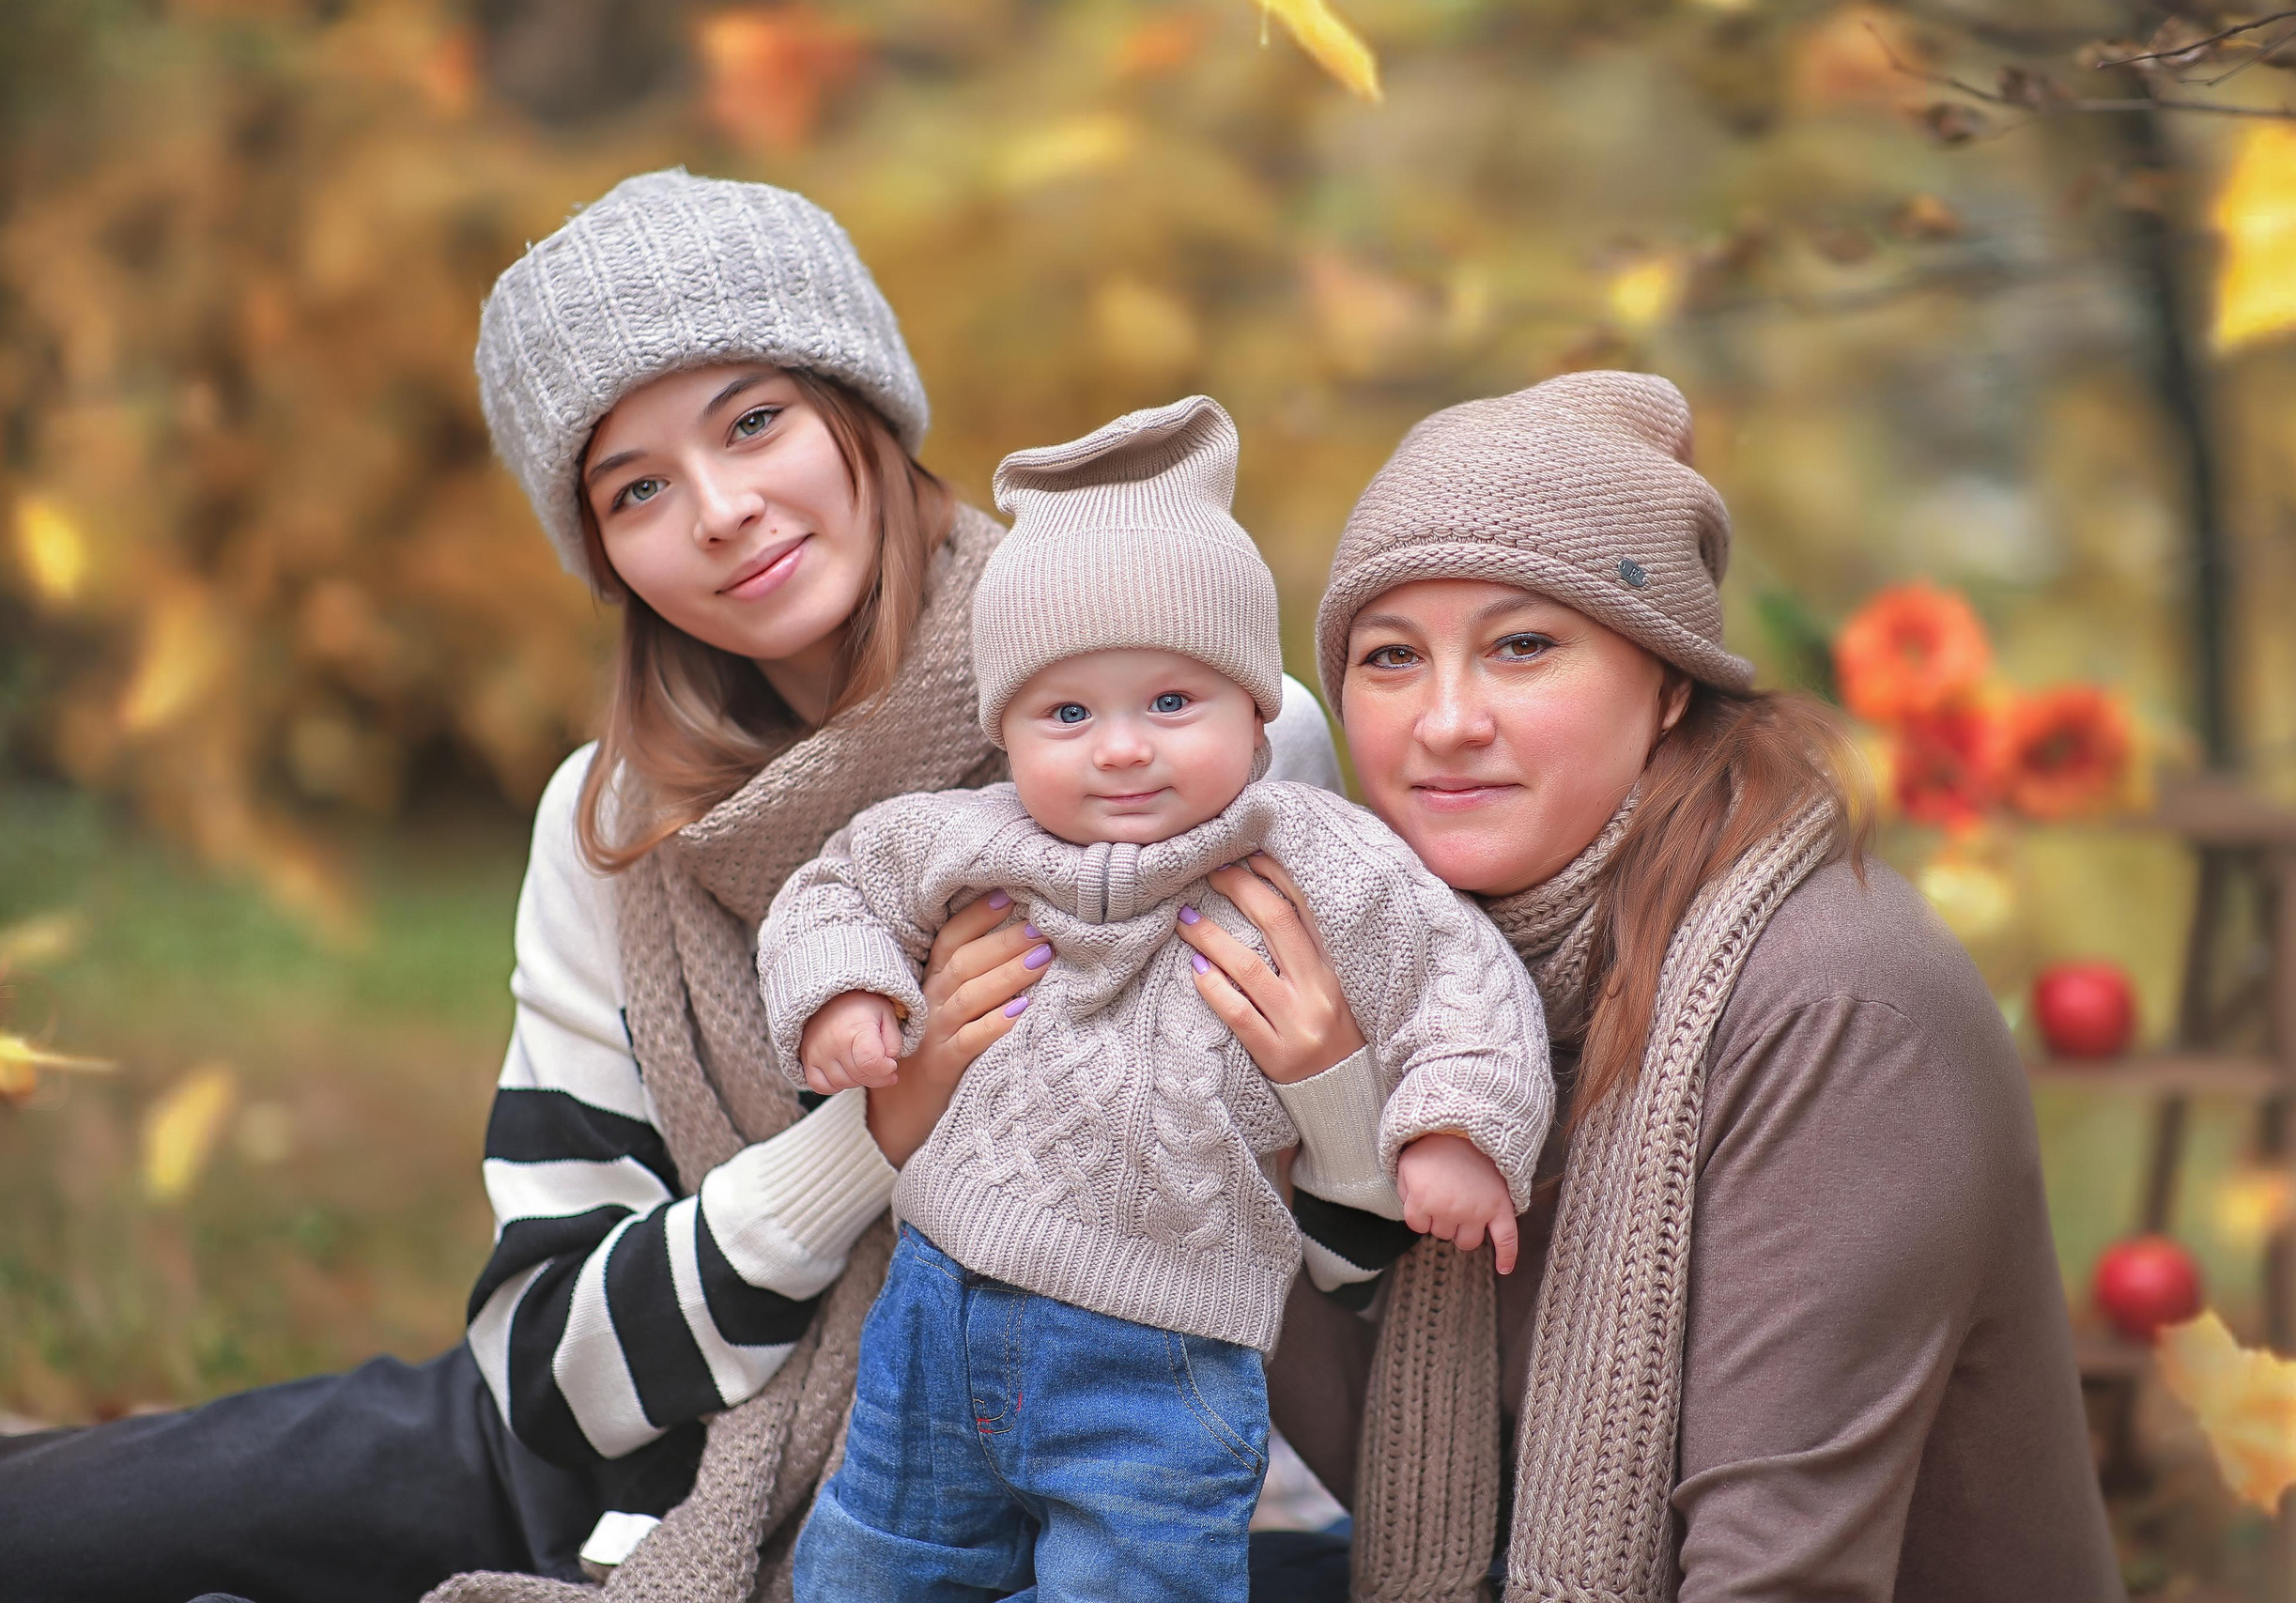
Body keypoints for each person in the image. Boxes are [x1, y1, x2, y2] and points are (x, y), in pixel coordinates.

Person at [0, 171, 1344, 1603]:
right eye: (635, 487)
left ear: (862, 410)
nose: (720, 509)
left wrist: (1331, 1084)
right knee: (57, 1528)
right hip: (616, 1462)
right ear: (603, 554)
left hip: (1034, 1490)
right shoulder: (611, 825)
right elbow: (545, 1363)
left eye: (754, 421)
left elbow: (1343, 1245)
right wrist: (875, 1134)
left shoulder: (1195, 727)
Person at [1202, 372, 2126, 1601]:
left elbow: (1776, 1576)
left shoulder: (1836, 1001)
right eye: (1390, 657)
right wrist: (1286, 1125)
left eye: (1522, 645)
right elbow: (1425, 1495)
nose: (1446, 720)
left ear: (1669, 681)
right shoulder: (1426, 972)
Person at [757, 395, 1552, 1603]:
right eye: (1068, 714)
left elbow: (1461, 977)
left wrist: (1458, 1127)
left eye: (1171, 704)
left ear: (1256, 713)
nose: (1122, 748)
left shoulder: (1315, 857)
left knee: (1135, 1578)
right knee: (878, 1560)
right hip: (935, 1307)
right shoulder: (962, 837)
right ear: (1007, 734)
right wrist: (842, 993)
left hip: (1161, 1348)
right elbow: (830, 892)